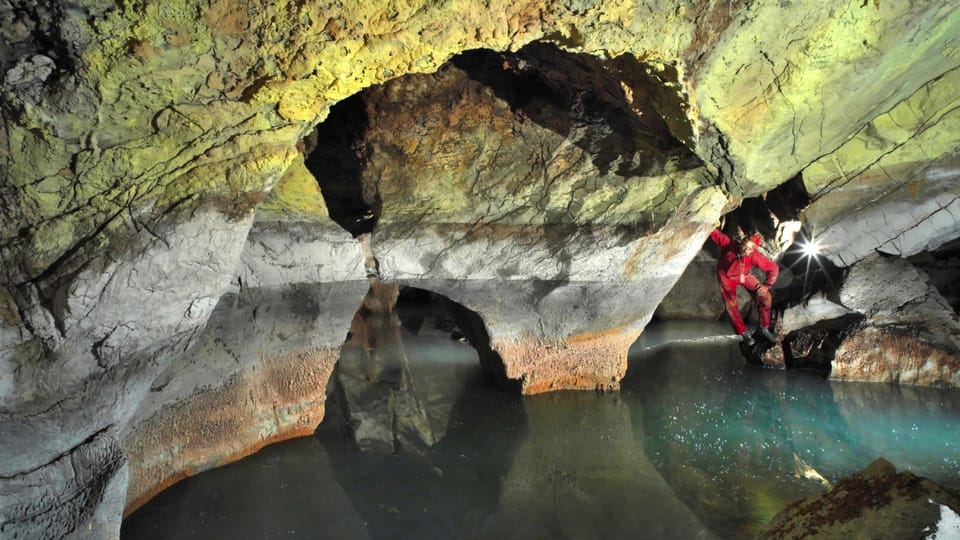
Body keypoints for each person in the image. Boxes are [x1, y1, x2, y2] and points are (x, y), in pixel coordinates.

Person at [710, 228, 779, 346]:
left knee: (765, 297)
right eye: (744, 246)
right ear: (741, 243)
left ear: (753, 249)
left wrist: (767, 285)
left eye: (750, 249)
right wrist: (709, 225)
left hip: (744, 275)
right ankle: (743, 332)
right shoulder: (730, 245)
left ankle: (764, 327)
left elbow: (774, 268)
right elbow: (716, 234)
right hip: (726, 277)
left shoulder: (755, 256)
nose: (746, 251)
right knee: (732, 305)